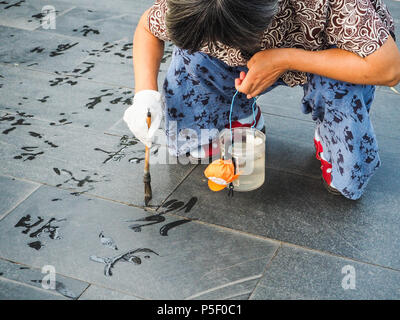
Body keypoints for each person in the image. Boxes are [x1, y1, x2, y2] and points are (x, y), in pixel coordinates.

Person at [123, 0, 400, 200]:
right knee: (192, 138)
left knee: (345, 173)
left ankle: (330, 139)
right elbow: (148, 28)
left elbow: (389, 68)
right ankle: (240, 116)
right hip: (237, 66)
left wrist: (285, 57)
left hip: (325, 55)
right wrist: (145, 94)